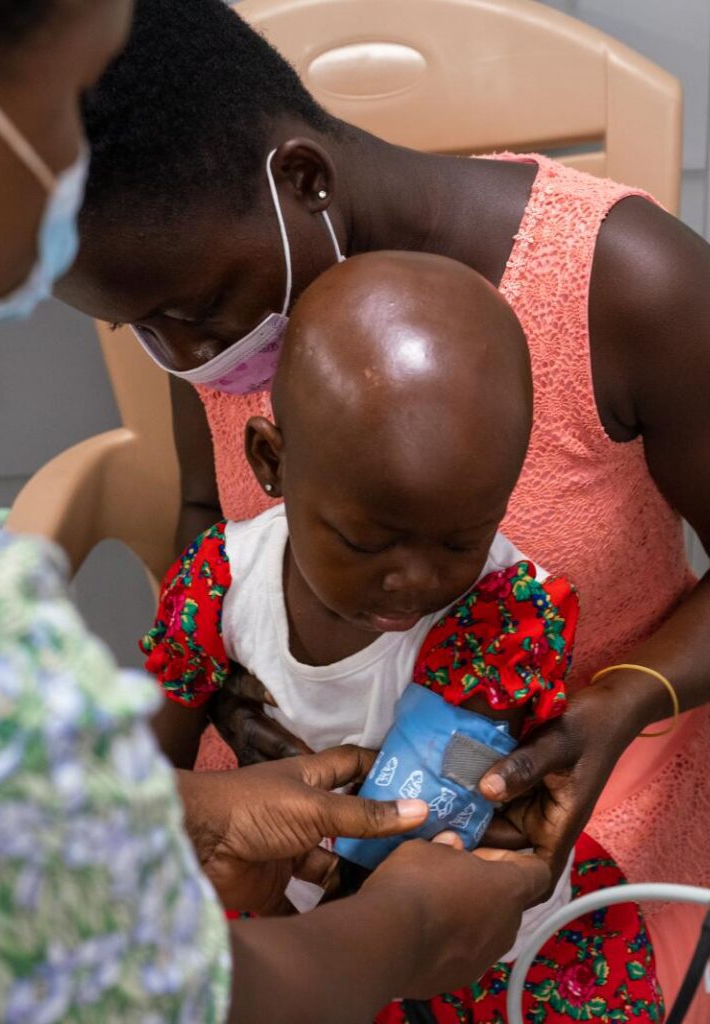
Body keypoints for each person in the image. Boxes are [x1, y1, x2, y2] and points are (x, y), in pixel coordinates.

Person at [57, 0, 710, 1016]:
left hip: (575, 804)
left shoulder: (635, 290)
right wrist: (226, 696)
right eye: (143, 328)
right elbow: (212, 516)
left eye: (188, 316)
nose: (185, 356)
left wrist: (621, 699)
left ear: (301, 181)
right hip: (282, 837)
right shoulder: (230, 318)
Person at [0, 2, 550, 1020]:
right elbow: (171, 997)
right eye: (66, 117)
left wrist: (189, 809)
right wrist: (403, 928)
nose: (76, 182)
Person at [142, 249, 664, 1022]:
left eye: (458, 541)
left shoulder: (502, 610)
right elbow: (150, 762)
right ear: (271, 462)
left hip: (460, 884)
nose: (412, 582)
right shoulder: (218, 587)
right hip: (277, 887)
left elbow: (470, 780)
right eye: (364, 543)